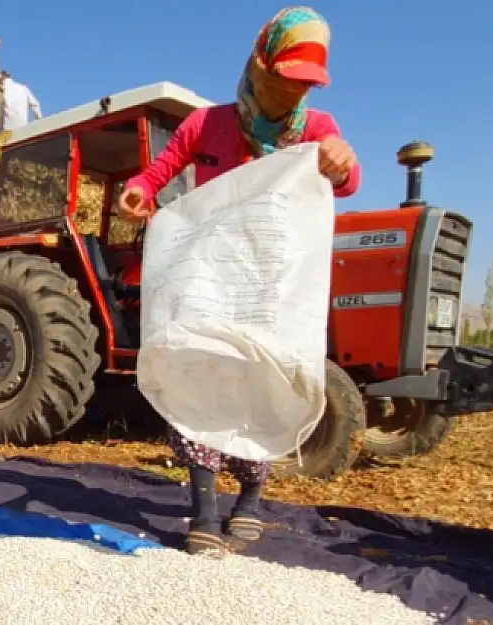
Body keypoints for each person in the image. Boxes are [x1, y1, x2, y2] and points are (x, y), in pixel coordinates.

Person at [118, 6, 361, 554]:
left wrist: (342, 163)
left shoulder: (319, 131)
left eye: (308, 85)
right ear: (261, 66)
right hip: (209, 278)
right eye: (289, 80)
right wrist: (140, 190)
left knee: (261, 381)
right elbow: (158, 174)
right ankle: (204, 510)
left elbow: (345, 180)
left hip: (270, 284)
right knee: (200, 376)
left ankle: (249, 500)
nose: (296, 95)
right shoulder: (207, 125)